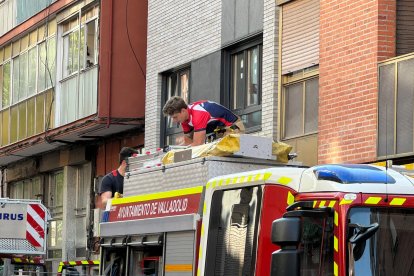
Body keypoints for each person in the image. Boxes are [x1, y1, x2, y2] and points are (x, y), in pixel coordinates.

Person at [162, 96, 245, 146]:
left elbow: (198, 144)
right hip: (219, 130)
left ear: (183, 111)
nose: (174, 121)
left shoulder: (198, 113)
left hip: (233, 126)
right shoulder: (184, 120)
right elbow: (188, 141)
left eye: (175, 117)